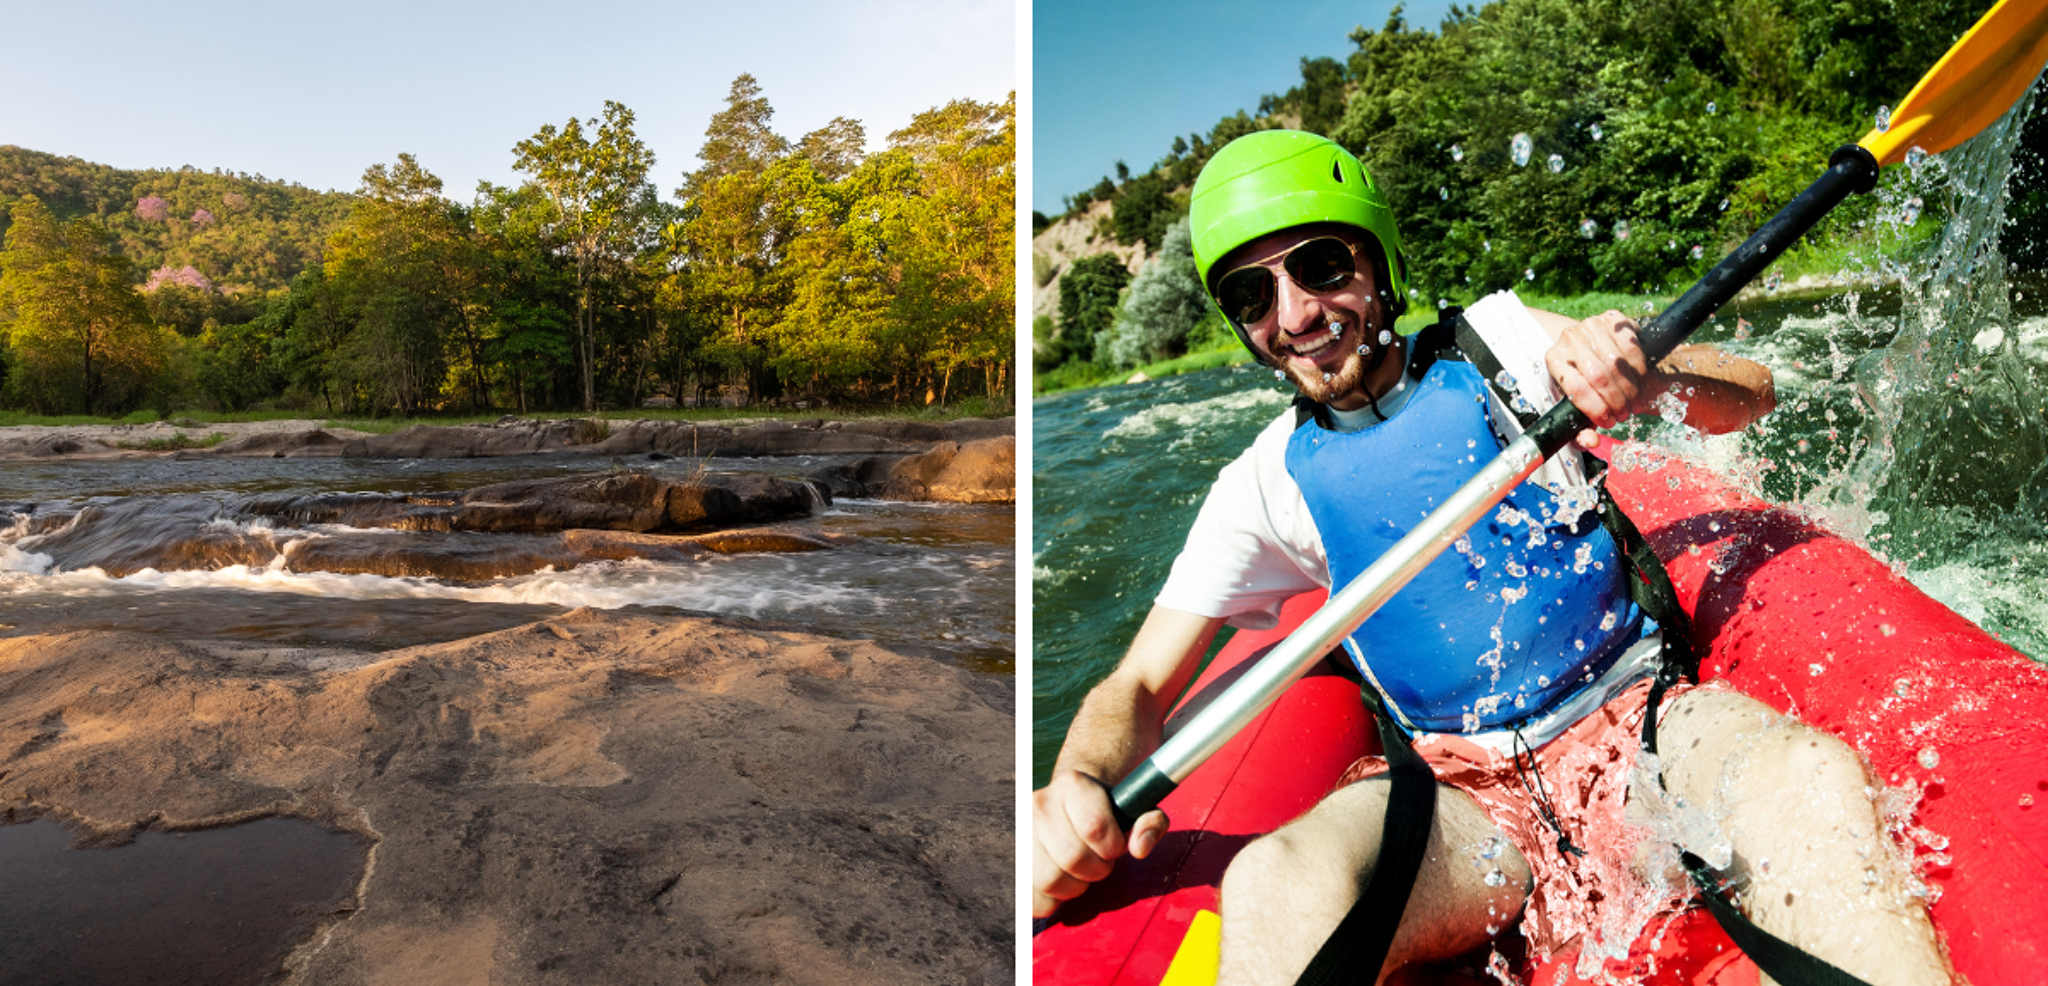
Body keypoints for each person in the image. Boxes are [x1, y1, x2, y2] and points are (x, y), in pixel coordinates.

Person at [1031, 131, 1951, 986]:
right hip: (1462, 800)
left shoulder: (1501, 343)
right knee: (1273, 881)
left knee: (1805, 782)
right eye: (1251, 296)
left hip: (1642, 722)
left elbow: (1751, 392)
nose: (1296, 313)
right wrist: (1075, 783)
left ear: (1380, 265)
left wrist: (1649, 374)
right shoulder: (1265, 484)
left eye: (1320, 267)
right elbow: (1136, 686)